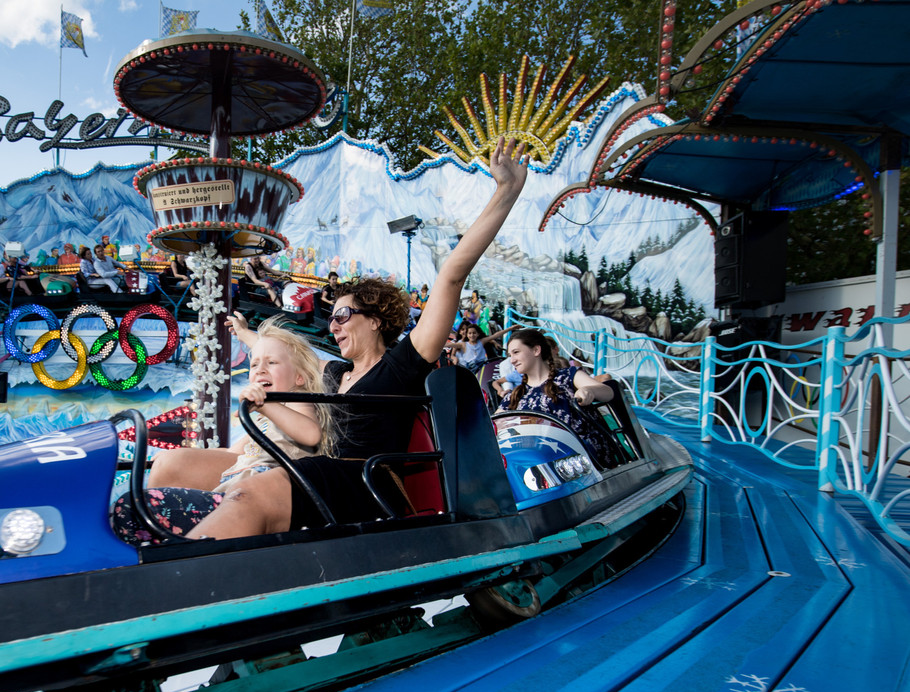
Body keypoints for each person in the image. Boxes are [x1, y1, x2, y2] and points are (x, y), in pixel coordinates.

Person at [185, 137, 530, 540]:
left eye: (344, 315)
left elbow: (452, 273)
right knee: (178, 468)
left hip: (364, 485)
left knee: (250, 492)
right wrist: (244, 333)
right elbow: (285, 354)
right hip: (325, 475)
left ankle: (174, 584)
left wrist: (507, 191)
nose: (333, 325)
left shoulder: (401, 366)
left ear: (376, 320)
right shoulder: (334, 374)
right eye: (331, 318)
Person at [112, 317, 327, 543]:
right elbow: (232, 453)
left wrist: (268, 406)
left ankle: (164, 541)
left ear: (300, 377)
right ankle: (158, 537)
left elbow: (311, 434)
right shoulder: (266, 418)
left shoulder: (296, 401)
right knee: (162, 467)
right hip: (232, 486)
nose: (260, 369)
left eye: (271, 363)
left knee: (129, 508)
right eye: (254, 364)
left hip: (255, 494)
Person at [502, 327, 616, 463]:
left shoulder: (568, 376)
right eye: (510, 355)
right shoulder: (515, 395)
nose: (512, 360)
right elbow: (494, 425)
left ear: (536, 350)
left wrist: (589, 391)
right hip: (540, 461)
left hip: (583, 457)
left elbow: (608, 392)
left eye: (516, 352)